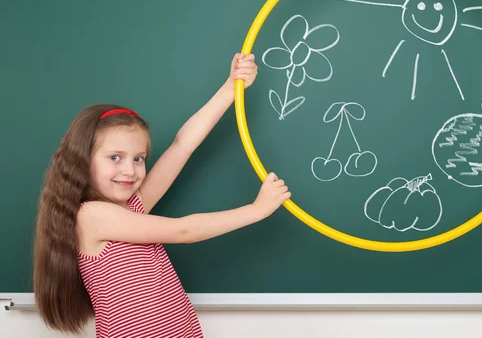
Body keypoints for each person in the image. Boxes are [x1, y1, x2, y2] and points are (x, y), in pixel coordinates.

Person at [33, 53, 290, 337]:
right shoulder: (92, 216)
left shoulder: (132, 207)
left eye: (138, 158)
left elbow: (182, 146)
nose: (129, 170)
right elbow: (184, 230)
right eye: (115, 157)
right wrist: (256, 210)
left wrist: (231, 87)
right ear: (83, 159)